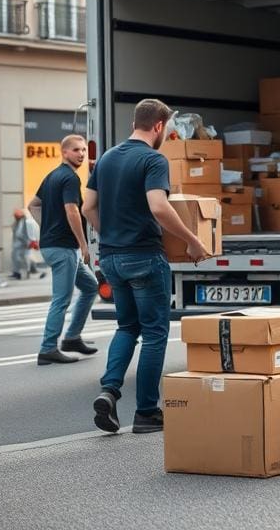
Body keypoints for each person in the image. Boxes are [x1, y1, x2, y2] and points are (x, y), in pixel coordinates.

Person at [82, 99, 209, 434]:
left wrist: (108, 233)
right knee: (154, 333)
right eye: (166, 129)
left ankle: (109, 392)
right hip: (144, 256)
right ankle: (147, 412)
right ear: (158, 127)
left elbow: (88, 207)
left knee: (127, 328)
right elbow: (159, 206)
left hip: (111, 256)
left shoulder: (107, 157)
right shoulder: (153, 159)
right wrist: (193, 240)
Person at [29, 135, 100, 366]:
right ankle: (48, 348)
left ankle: (71, 338)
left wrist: (47, 227)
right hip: (63, 248)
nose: (81, 154)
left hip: (55, 245)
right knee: (61, 299)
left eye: (83, 150)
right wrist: (83, 243)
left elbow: (33, 205)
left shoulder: (52, 176)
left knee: (90, 287)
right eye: (76, 150)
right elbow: (72, 212)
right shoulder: (69, 178)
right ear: (65, 152)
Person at [10, 209, 37, 281]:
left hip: (24, 243)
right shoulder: (18, 222)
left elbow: (20, 234)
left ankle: (25, 272)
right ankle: (17, 272)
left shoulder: (25, 221)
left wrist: (29, 242)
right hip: (19, 244)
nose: (15, 216)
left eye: (16, 215)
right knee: (18, 258)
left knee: (24, 258)